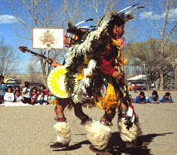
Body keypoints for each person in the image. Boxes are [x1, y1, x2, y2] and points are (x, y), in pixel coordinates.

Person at [49, 10, 142, 151]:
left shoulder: (104, 43)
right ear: (115, 27)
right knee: (62, 108)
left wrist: (113, 71)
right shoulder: (93, 46)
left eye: (66, 38)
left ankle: (122, 138)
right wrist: (58, 66)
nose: (64, 41)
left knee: (122, 106)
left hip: (97, 80)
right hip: (78, 83)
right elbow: (80, 65)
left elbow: (95, 61)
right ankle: (66, 139)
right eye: (122, 27)